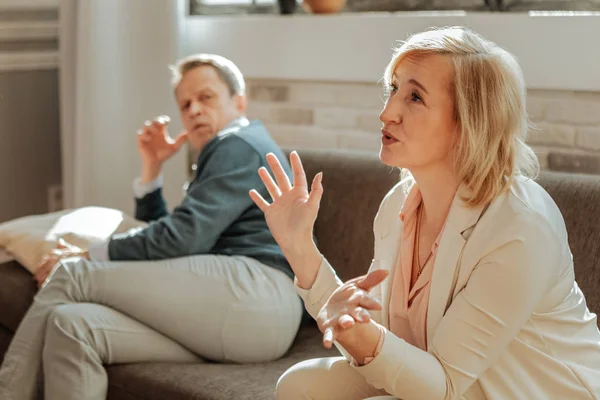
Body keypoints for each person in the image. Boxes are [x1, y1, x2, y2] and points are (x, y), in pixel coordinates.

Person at [250, 27, 600, 400]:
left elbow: (442, 385)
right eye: (394, 89)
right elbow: (378, 347)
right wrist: (299, 247)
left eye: (415, 97)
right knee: (297, 385)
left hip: (524, 392)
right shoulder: (399, 204)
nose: (387, 113)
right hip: (440, 381)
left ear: (469, 123)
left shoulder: (522, 226)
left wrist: (361, 333)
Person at [0, 54, 303, 400]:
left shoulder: (239, 143)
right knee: (72, 326)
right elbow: (166, 249)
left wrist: (91, 254)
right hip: (236, 317)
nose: (194, 111)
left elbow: (182, 238)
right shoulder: (226, 153)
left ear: (239, 101)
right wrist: (152, 172)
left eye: (206, 97)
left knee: (71, 274)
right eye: (185, 104)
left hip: (257, 293)